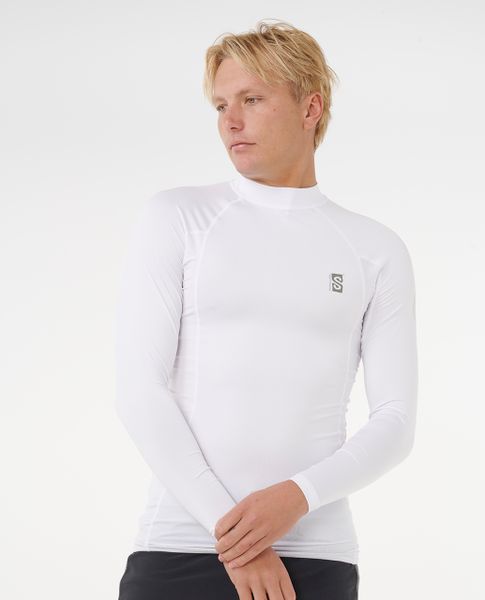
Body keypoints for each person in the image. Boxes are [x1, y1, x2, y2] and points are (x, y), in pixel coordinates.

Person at [114, 19, 418, 600]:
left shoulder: (374, 249)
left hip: (316, 556)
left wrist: (297, 497)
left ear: (311, 108)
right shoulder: (178, 218)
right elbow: (138, 391)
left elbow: (396, 420)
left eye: (252, 100)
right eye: (221, 104)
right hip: (181, 547)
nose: (230, 121)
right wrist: (238, 538)